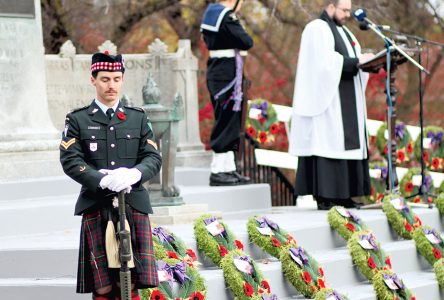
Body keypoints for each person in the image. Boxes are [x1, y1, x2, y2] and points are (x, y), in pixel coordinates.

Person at [60, 51, 161, 299]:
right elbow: (70, 159)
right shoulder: (77, 119)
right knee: (102, 284)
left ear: (123, 79)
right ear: (93, 79)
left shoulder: (138, 118)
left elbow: (153, 157)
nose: (111, 85)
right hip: (97, 203)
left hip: (133, 203)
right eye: (105, 79)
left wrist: (134, 173)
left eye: (117, 79)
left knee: (132, 281)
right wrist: (101, 179)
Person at [289, 0, 375, 210]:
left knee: (344, 145)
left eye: (349, 10)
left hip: (347, 100)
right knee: (329, 143)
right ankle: (327, 196)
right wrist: (356, 62)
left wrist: (367, 61)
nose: (348, 14)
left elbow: (350, 60)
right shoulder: (317, 28)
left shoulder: (345, 32)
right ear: (330, 7)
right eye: (344, 10)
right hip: (328, 103)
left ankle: (345, 195)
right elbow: (324, 63)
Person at [201, 0, 253, 186]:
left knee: (230, 119)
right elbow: (247, 41)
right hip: (226, 73)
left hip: (221, 71)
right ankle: (217, 171)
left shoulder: (212, 12)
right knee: (226, 119)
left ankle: (228, 169)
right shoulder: (226, 15)